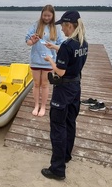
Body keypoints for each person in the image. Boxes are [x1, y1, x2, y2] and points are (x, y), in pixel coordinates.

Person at [41, 11, 88, 180]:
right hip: (76, 87)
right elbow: (71, 54)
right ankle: (66, 155)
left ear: (70, 25)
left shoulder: (68, 45)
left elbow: (60, 71)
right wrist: (55, 48)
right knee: (70, 122)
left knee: (58, 127)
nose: (61, 29)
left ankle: (57, 169)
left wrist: (51, 60)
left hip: (63, 90)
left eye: (63, 26)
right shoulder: (83, 43)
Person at [25, 5, 65, 117]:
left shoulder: (56, 28)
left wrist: (53, 46)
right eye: (44, 15)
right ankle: (36, 105)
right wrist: (32, 41)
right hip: (36, 60)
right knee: (36, 84)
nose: (46, 18)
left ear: (52, 16)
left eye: (49, 15)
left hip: (49, 61)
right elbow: (27, 42)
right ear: (41, 15)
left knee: (45, 84)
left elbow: (61, 44)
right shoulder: (36, 25)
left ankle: (43, 106)